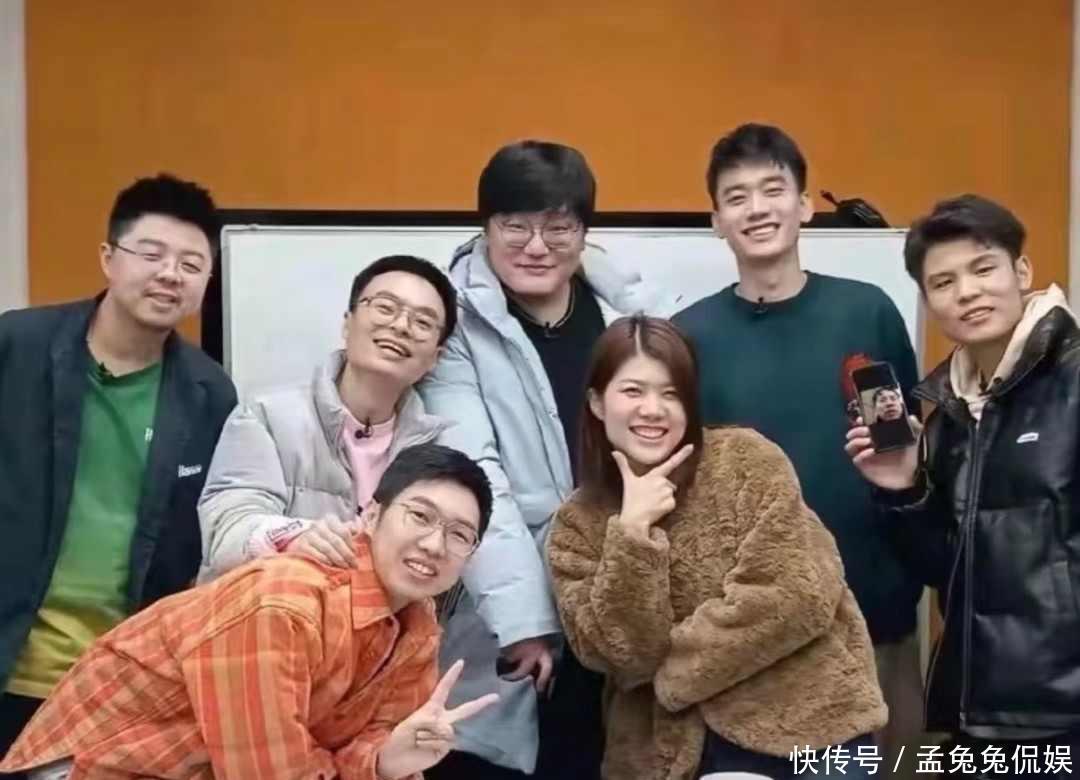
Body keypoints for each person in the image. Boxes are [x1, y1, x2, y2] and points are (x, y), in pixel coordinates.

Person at [0, 444, 500, 780]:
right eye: (420, 516)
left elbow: (370, 745)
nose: (434, 544)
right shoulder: (283, 603)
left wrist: (385, 762)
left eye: (459, 534)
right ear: (371, 515)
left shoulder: (417, 628)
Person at [672, 123, 924, 777]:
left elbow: (905, 453)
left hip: (871, 611)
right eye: (737, 197)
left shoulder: (865, 312)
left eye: (773, 189)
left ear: (805, 205)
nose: (757, 209)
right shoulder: (688, 336)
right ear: (716, 222)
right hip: (752, 636)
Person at [420, 140, 669, 779]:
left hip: (619, 595)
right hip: (507, 614)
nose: (536, 246)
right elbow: (473, 474)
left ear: (583, 232)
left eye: (558, 228)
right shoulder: (454, 323)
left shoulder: (626, 312)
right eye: (516, 226)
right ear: (486, 226)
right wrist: (525, 620)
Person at [547, 315, 886, 780]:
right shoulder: (576, 522)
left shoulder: (746, 460)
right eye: (633, 391)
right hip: (667, 754)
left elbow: (796, 594)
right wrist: (632, 532)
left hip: (811, 729)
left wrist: (675, 674)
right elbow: (619, 653)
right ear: (597, 402)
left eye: (671, 394)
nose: (653, 409)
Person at [0, 173, 237, 773]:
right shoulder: (16, 346)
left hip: (109, 688)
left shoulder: (209, 394)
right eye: (151, 254)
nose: (170, 274)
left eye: (191, 264)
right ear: (109, 257)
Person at [846, 194, 1080, 775]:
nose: (967, 293)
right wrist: (903, 489)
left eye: (983, 269)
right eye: (944, 282)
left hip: (1065, 711)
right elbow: (944, 569)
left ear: (1021, 271)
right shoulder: (949, 416)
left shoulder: (1073, 381)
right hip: (976, 711)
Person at [198, 254, 455, 581]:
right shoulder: (265, 417)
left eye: (422, 323)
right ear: (347, 323)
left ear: (435, 358)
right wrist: (294, 537)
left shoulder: (439, 453)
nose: (401, 326)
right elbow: (227, 530)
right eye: (385, 307)